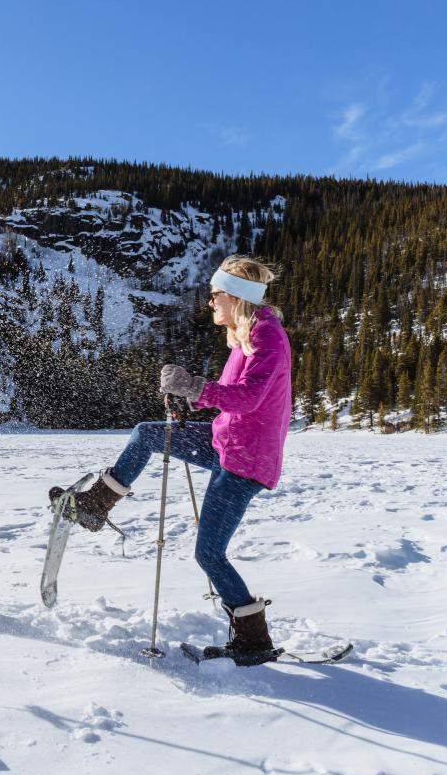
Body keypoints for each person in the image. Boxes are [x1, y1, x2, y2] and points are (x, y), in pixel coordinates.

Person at [69, 255, 291, 664]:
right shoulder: (246, 335)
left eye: (216, 294)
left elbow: (248, 399)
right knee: (146, 433)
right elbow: (230, 400)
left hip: (244, 463)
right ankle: (95, 506)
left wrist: (194, 387)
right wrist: (188, 394)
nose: (210, 302)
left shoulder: (267, 337)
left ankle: (253, 643)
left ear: (236, 297)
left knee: (209, 554)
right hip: (226, 443)